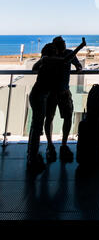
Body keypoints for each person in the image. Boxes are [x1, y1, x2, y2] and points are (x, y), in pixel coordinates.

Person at [27, 38, 86, 172]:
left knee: (43, 123)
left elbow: (34, 68)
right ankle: (46, 149)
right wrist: (81, 46)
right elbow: (67, 60)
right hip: (50, 94)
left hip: (51, 94)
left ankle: (38, 153)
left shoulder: (49, 58)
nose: (64, 45)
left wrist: (78, 67)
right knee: (45, 121)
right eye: (62, 43)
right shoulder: (54, 58)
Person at [44, 36, 83, 162]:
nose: (65, 44)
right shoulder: (64, 54)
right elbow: (77, 66)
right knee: (64, 117)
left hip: (53, 92)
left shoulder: (53, 55)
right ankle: (61, 145)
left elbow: (77, 65)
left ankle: (52, 145)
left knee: (51, 117)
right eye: (63, 43)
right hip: (62, 91)